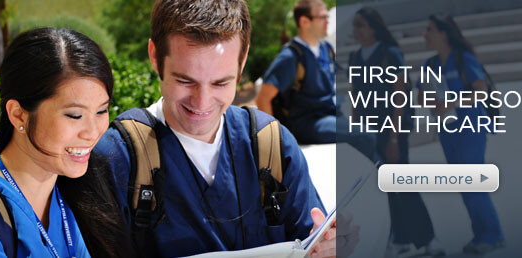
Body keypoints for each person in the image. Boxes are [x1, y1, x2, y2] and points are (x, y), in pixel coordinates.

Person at [79, 0, 358, 257]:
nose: (202, 103)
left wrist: (332, 247)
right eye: (185, 81)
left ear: (243, 59)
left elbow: (312, 239)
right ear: (155, 56)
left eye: (221, 83)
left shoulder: (272, 145)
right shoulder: (116, 159)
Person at [0, 28, 134, 257]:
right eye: (74, 115)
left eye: (102, 111)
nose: (92, 132)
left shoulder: (70, 197)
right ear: (18, 114)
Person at [348, 7, 444, 258]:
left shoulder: (390, 53)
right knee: (388, 187)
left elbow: (400, 95)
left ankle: (429, 239)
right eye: (354, 25)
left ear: (373, 27)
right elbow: (356, 95)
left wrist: (393, 136)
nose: (355, 30)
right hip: (368, 132)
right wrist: (356, 128)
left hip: (392, 130)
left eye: (360, 25)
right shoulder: (355, 57)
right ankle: (400, 239)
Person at [256, 0, 381, 166]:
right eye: (322, 17)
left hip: (331, 113)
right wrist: (273, 143)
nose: (327, 21)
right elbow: (263, 98)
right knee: (365, 136)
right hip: (309, 122)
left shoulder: (325, 48)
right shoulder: (290, 57)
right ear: (305, 22)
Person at [420, 14, 505, 255]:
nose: (424, 34)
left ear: (444, 33)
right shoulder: (430, 65)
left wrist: (450, 102)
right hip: (448, 132)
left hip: (472, 129)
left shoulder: (463, 59)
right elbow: (420, 95)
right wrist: (432, 100)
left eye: (429, 30)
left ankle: (492, 235)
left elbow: (481, 90)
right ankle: (482, 234)